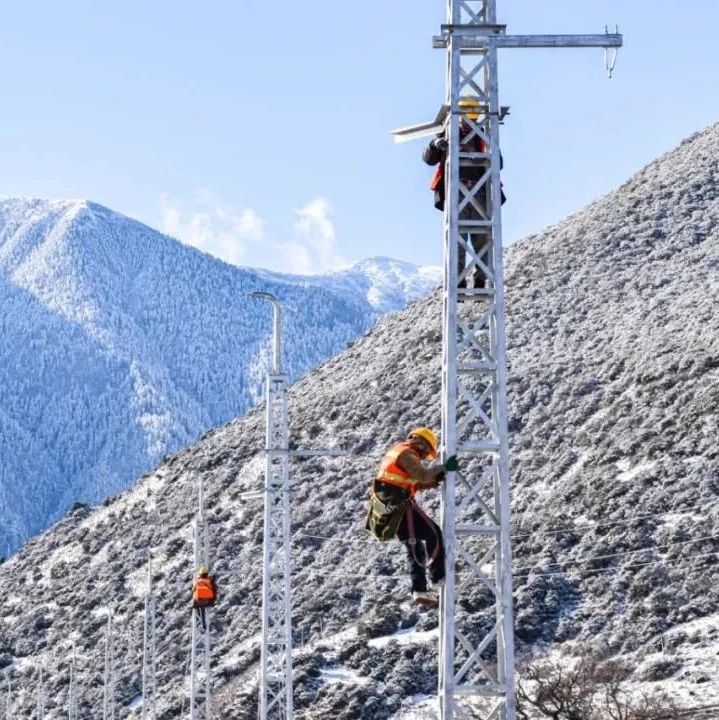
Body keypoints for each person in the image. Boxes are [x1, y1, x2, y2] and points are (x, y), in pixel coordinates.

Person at [366, 427, 457, 606]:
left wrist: (435, 480)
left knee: (414, 547)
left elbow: (413, 483)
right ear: (422, 445)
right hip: (401, 506)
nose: (424, 457)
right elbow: (421, 476)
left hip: (391, 510)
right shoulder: (407, 454)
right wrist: (445, 467)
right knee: (434, 534)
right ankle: (438, 577)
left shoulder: (397, 452)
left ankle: (419, 590)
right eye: (426, 453)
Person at [422, 97, 505, 289]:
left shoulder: (483, 136)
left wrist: (491, 151)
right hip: (456, 192)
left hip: (479, 192)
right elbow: (428, 158)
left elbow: (498, 165)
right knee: (457, 240)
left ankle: (479, 279)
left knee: (482, 238)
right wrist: (436, 144)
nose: (471, 120)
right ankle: (457, 281)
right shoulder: (449, 133)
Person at [191, 566, 217, 630]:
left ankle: (203, 624)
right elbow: (213, 586)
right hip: (207, 601)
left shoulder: (198, 581)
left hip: (199, 601)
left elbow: (193, 590)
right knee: (203, 610)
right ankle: (204, 624)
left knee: (199, 609)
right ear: (206, 574)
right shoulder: (209, 580)